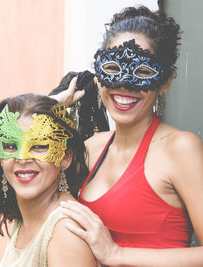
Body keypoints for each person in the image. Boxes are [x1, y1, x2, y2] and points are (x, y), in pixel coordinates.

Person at [52, 6, 203, 266]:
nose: (124, 85)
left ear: (165, 82)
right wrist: (51, 105)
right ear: (98, 75)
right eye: (112, 67)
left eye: (143, 72)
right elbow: (18, 167)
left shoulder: (180, 148)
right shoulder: (91, 148)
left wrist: (116, 254)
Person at [0, 94, 97, 266]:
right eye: (10, 145)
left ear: (65, 157)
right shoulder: (26, 215)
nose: (22, 159)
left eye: (39, 146)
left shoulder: (66, 232)